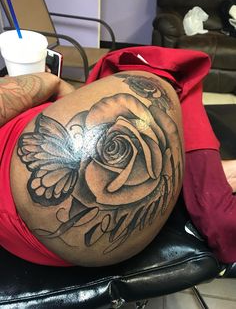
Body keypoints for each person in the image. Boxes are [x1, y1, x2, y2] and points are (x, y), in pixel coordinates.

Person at [0, 46, 235, 267]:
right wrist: (53, 83)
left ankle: (207, 174)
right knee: (166, 74)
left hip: (23, 241)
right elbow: (46, 85)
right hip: (36, 220)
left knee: (161, 83)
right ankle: (207, 176)